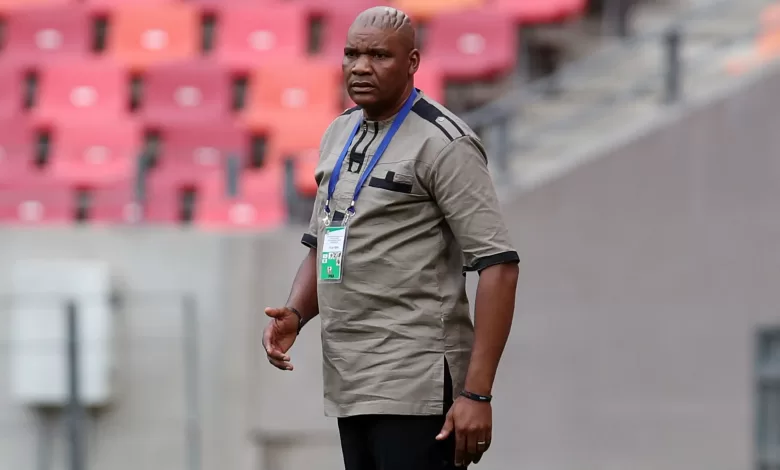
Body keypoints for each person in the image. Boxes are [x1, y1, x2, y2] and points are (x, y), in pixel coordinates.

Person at [262, 6, 519, 469]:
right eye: (352, 54)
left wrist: (477, 393)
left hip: (415, 378)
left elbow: (498, 265)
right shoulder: (339, 132)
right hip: (350, 377)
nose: (360, 66)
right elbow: (323, 241)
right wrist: (296, 313)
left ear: (412, 62)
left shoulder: (445, 143)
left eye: (379, 55)